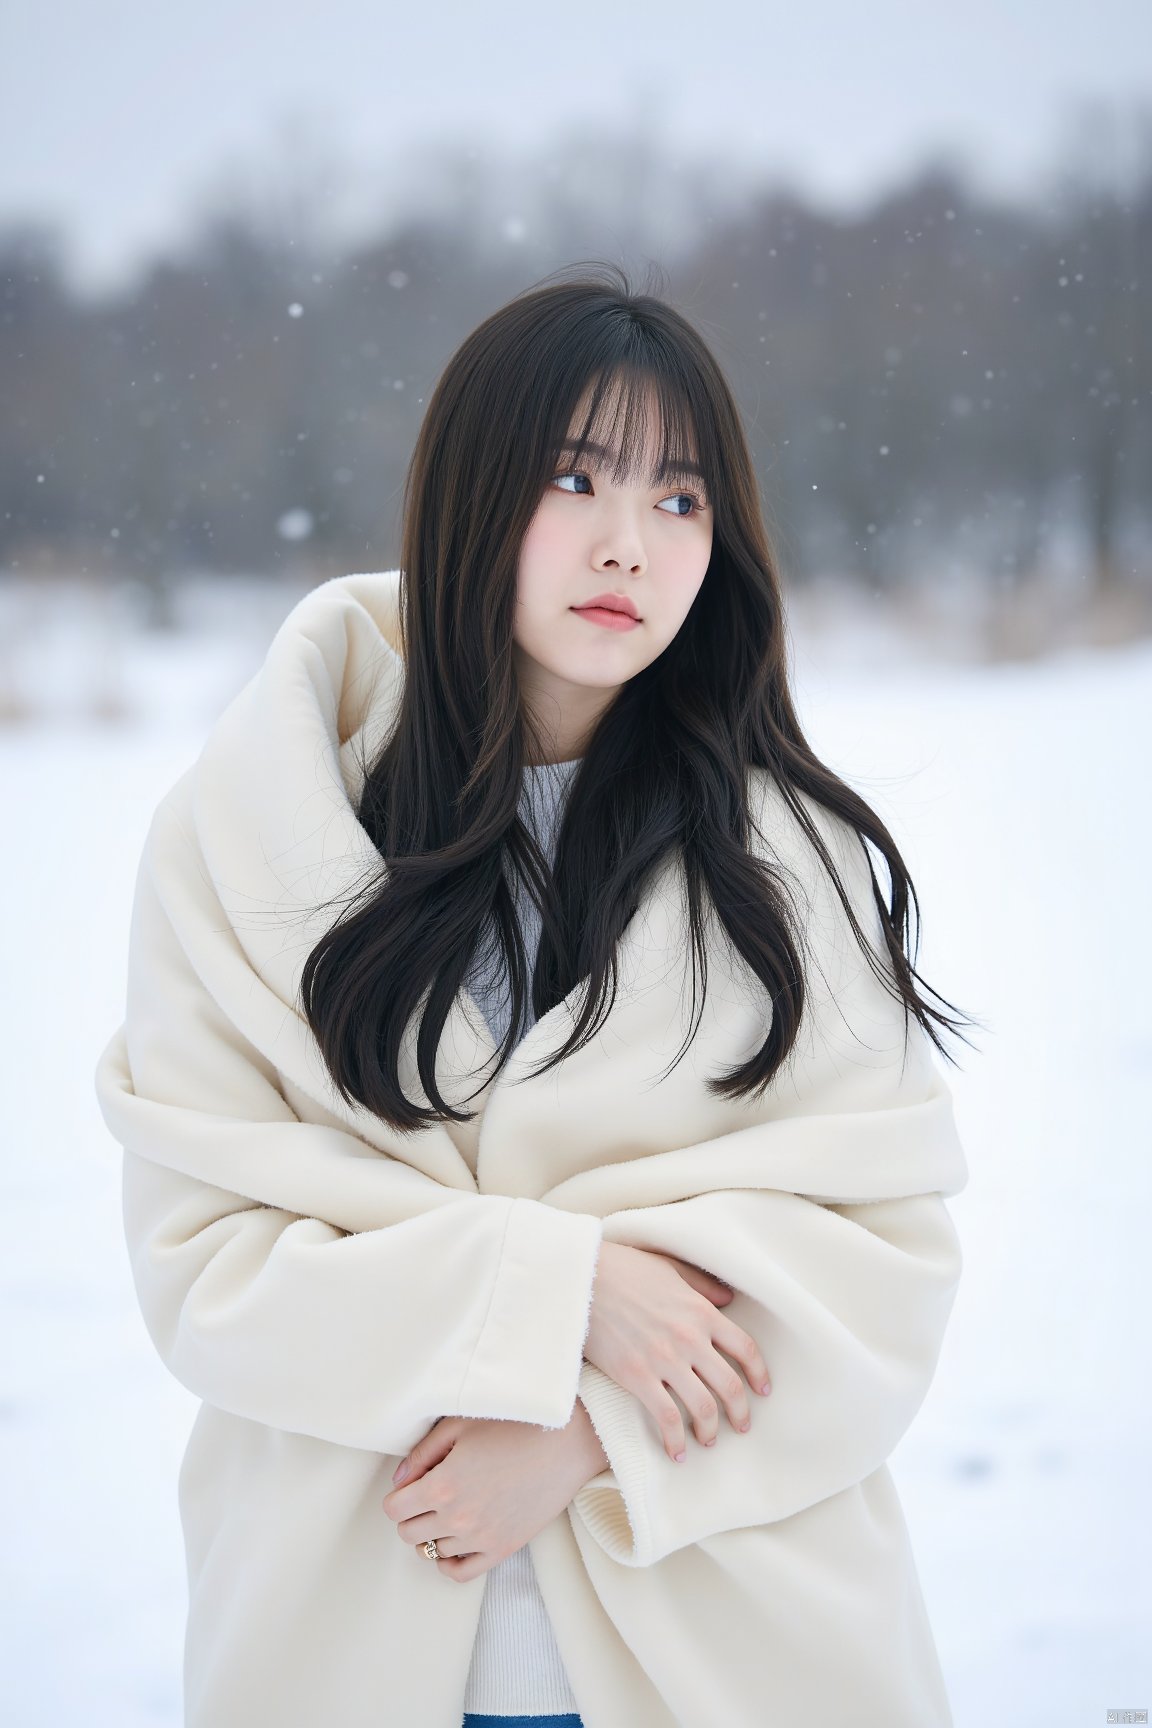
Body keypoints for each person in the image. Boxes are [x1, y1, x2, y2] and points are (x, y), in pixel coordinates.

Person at [93, 261, 977, 1728]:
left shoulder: (788, 861)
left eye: (681, 499)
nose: (630, 544)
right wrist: (561, 1290)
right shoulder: (250, 832)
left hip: (739, 1662)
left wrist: (591, 1426)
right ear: (469, 494)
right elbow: (208, 1265)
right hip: (344, 1649)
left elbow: (882, 1273)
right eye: (577, 479)